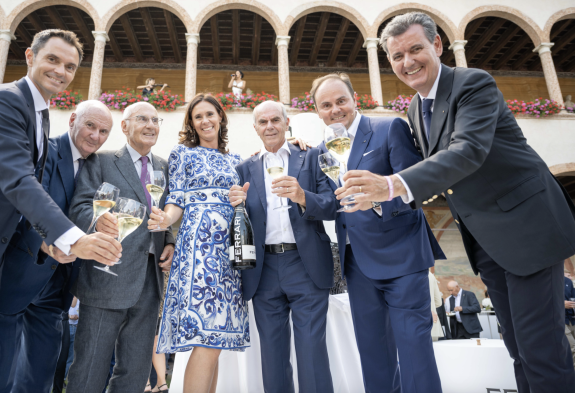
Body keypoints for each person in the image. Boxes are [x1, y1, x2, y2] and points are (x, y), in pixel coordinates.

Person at [336, 11, 575, 392]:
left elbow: (466, 152)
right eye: (397, 56)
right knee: (519, 349)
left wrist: (391, 185)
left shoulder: (472, 83)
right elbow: (425, 169)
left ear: (437, 44)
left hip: (526, 228)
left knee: (541, 351)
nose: (407, 62)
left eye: (415, 49)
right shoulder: (416, 108)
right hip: (487, 241)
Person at [0, 29, 121, 393]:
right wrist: (72, 239)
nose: (61, 71)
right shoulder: (4, 100)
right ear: (30, 57)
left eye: (70, 66)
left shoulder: (40, 114)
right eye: (52, 59)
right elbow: (18, 180)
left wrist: (49, 243)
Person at [313, 73, 444, 393]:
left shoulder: (389, 128)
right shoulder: (322, 151)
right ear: (317, 111)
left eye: (341, 101)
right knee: (373, 355)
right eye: (326, 105)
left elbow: (417, 187)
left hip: (402, 256)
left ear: (354, 99)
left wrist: (376, 201)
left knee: (414, 350)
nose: (335, 110)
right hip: (357, 263)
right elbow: (330, 202)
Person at [0, 100, 114, 393]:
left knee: (39, 377)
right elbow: (21, 206)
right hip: (18, 272)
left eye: (104, 131)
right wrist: (45, 244)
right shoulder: (43, 152)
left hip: (58, 284)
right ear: (73, 120)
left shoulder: (98, 166)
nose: (96, 136)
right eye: (90, 126)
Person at [228, 100, 338, 393]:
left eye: (275, 120)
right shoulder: (244, 168)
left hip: (305, 264)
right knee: (272, 357)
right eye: (263, 122)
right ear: (255, 128)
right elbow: (239, 221)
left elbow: (332, 204)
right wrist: (236, 207)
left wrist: (303, 196)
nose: (270, 126)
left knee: (311, 352)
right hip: (263, 270)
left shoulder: (312, 156)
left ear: (287, 123)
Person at [67, 102, 176, 392]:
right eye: (142, 119)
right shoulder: (101, 161)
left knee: (135, 371)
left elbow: (166, 213)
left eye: (155, 119)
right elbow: (79, 207)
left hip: (150, 279)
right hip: (106, 275)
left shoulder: (164, 166)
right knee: (90, 366)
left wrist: (169, 241)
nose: (151, 125)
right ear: (125, 126)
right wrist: (98, 220)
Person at [148, 94, 250, 393]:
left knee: (216, 340)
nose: (205, 121)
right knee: (206, 337)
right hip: (200, 251)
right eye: (198, 117)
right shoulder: (183, 154)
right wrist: (166, 220)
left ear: (220, 116)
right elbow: (176, 198)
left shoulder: (236, 160)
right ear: (192, 124)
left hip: (231, 252)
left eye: (210, 114)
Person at [429, 270, 444, 341]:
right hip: (433, 324)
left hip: (416, 324)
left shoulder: (411, 273)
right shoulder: (430, 275)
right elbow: (438, 302)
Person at [565, 272, 575, 368]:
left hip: (572, 319)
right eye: (568, 274)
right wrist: (562, 303)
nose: (570, 277)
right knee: (572, 348)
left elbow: (573, 297)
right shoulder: (550, 281)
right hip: (560, 320)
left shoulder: (569, 282)